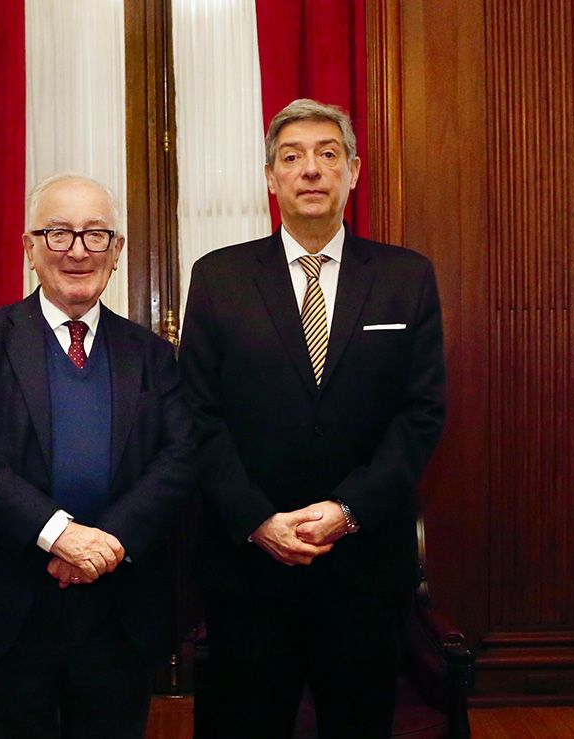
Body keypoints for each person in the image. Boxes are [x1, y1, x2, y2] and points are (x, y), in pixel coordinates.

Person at [179, 98, 447, 737]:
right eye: (291, 157)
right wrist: (257, 520)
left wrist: (349, 510)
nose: (310, 170)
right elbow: (197, 414)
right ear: (270, 178)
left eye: (328, 154)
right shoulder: (219, 277)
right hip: (249, 566)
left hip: (364, 565)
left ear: (354, 171)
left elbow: (421, 413)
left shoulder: (407, 277)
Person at [0, 173, 196, 738]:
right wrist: (60, 535)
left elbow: (179, 459)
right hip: (4, 611)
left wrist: (107, 543)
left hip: (118, 616)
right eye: (58, 233)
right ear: (29, 247)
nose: (77, 251)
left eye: (96, 235)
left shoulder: (153, 355)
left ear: (116, 252)